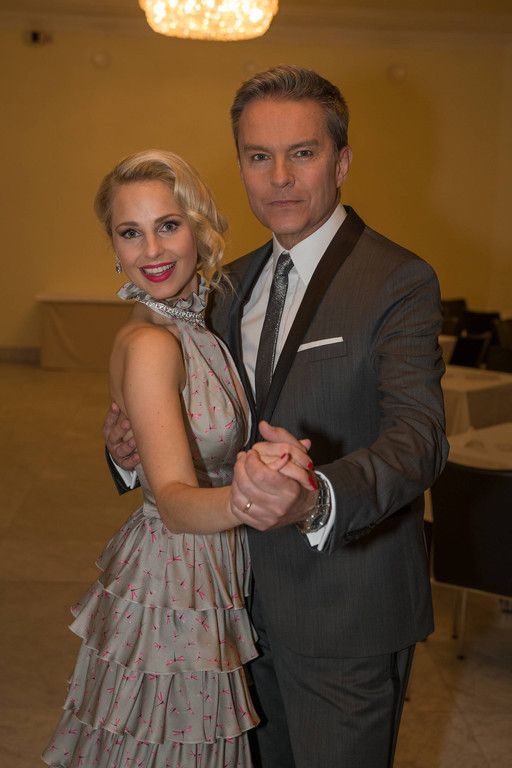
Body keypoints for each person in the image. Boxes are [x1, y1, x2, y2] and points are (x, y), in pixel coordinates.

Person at [106, 66, 449, 768]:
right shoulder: (227, 283)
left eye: (304, 153)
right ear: (240, 166)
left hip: (344, 612)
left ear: (341, 161)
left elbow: (419, 439)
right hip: (232, 608)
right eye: (260, 156)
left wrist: (315, 497)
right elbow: (200, 411)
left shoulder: (398, 280)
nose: (281, 177)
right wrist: (129, 447)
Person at [42, 148, 313, 768]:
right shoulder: (151, 344)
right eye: (130, 232)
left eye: (167, 224)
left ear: (198, 226)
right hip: (176, 581)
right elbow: (173, 501)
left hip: (203, 571)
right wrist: (257, 493)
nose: (152, 251)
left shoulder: (191, 328)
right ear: (113, 248)